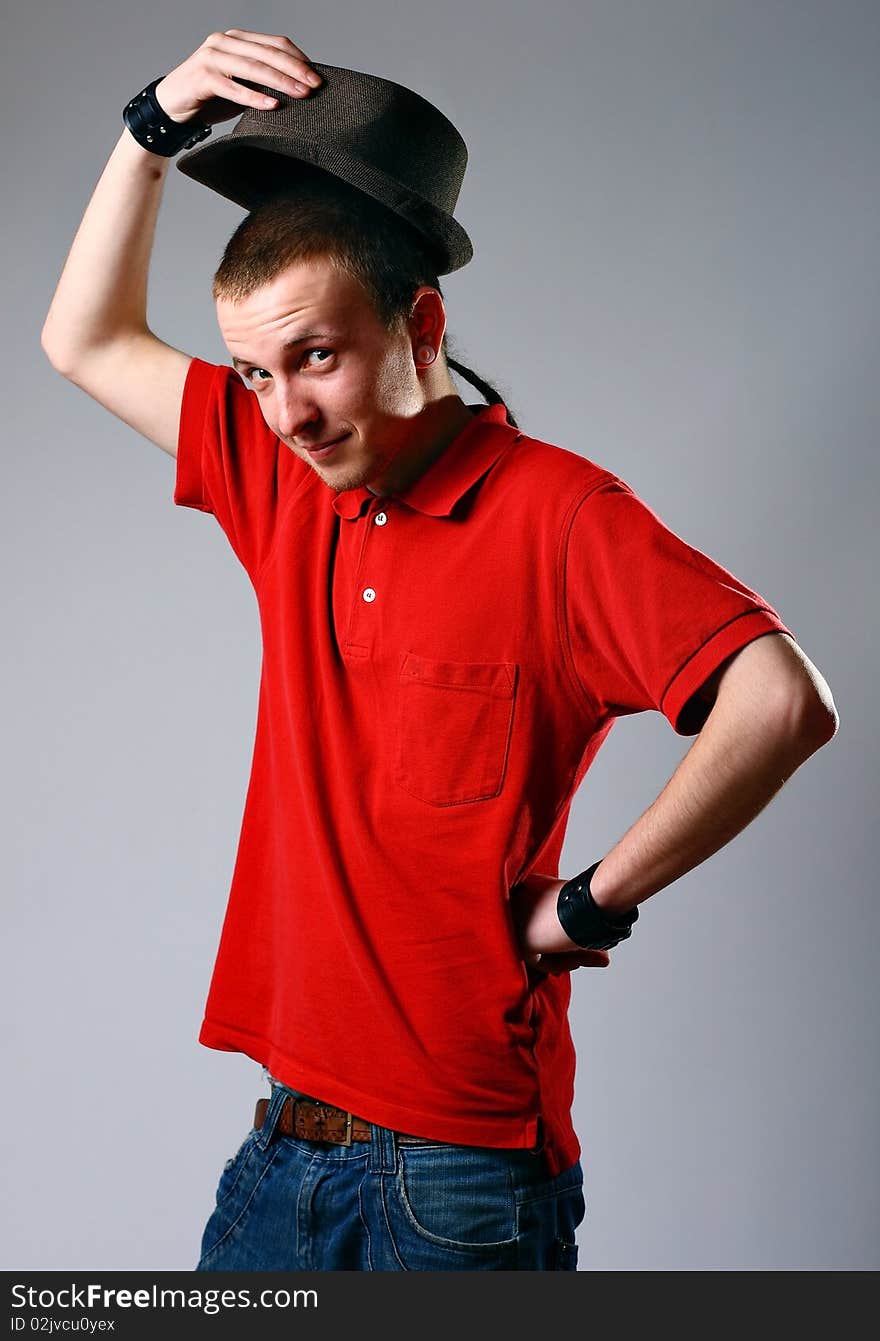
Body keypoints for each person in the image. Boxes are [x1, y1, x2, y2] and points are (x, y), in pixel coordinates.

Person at [41, 28, 838, 1272]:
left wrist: (590, 905)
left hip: (459, 1174)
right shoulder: (281, 473)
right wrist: (153, 124)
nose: (288, 414)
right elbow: (82, 341)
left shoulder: (560, 517)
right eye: (252, 373)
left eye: (316, 358)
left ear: (422, 323)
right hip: (281, 1141)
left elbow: (780, 699)